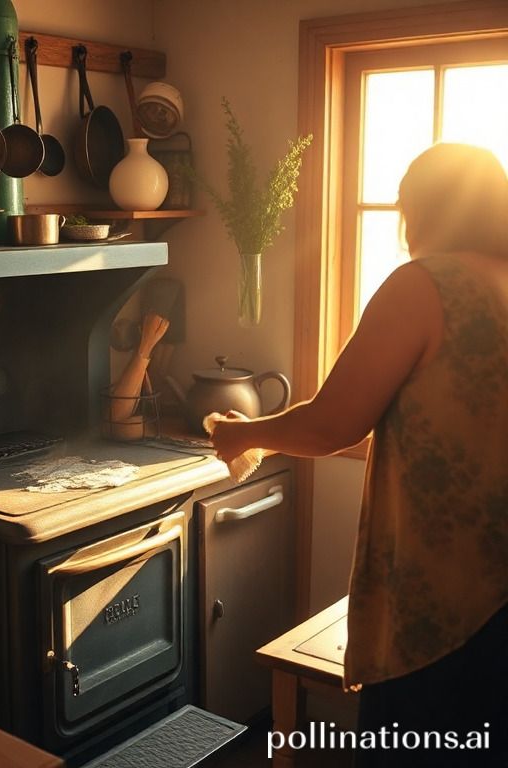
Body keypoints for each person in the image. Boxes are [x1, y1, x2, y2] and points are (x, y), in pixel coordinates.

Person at [209, 142, 508, 767]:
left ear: (421, 210)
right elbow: (448, 421)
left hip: (443, 606)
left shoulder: (423, 286)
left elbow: (332, 426)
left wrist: (244, 434)